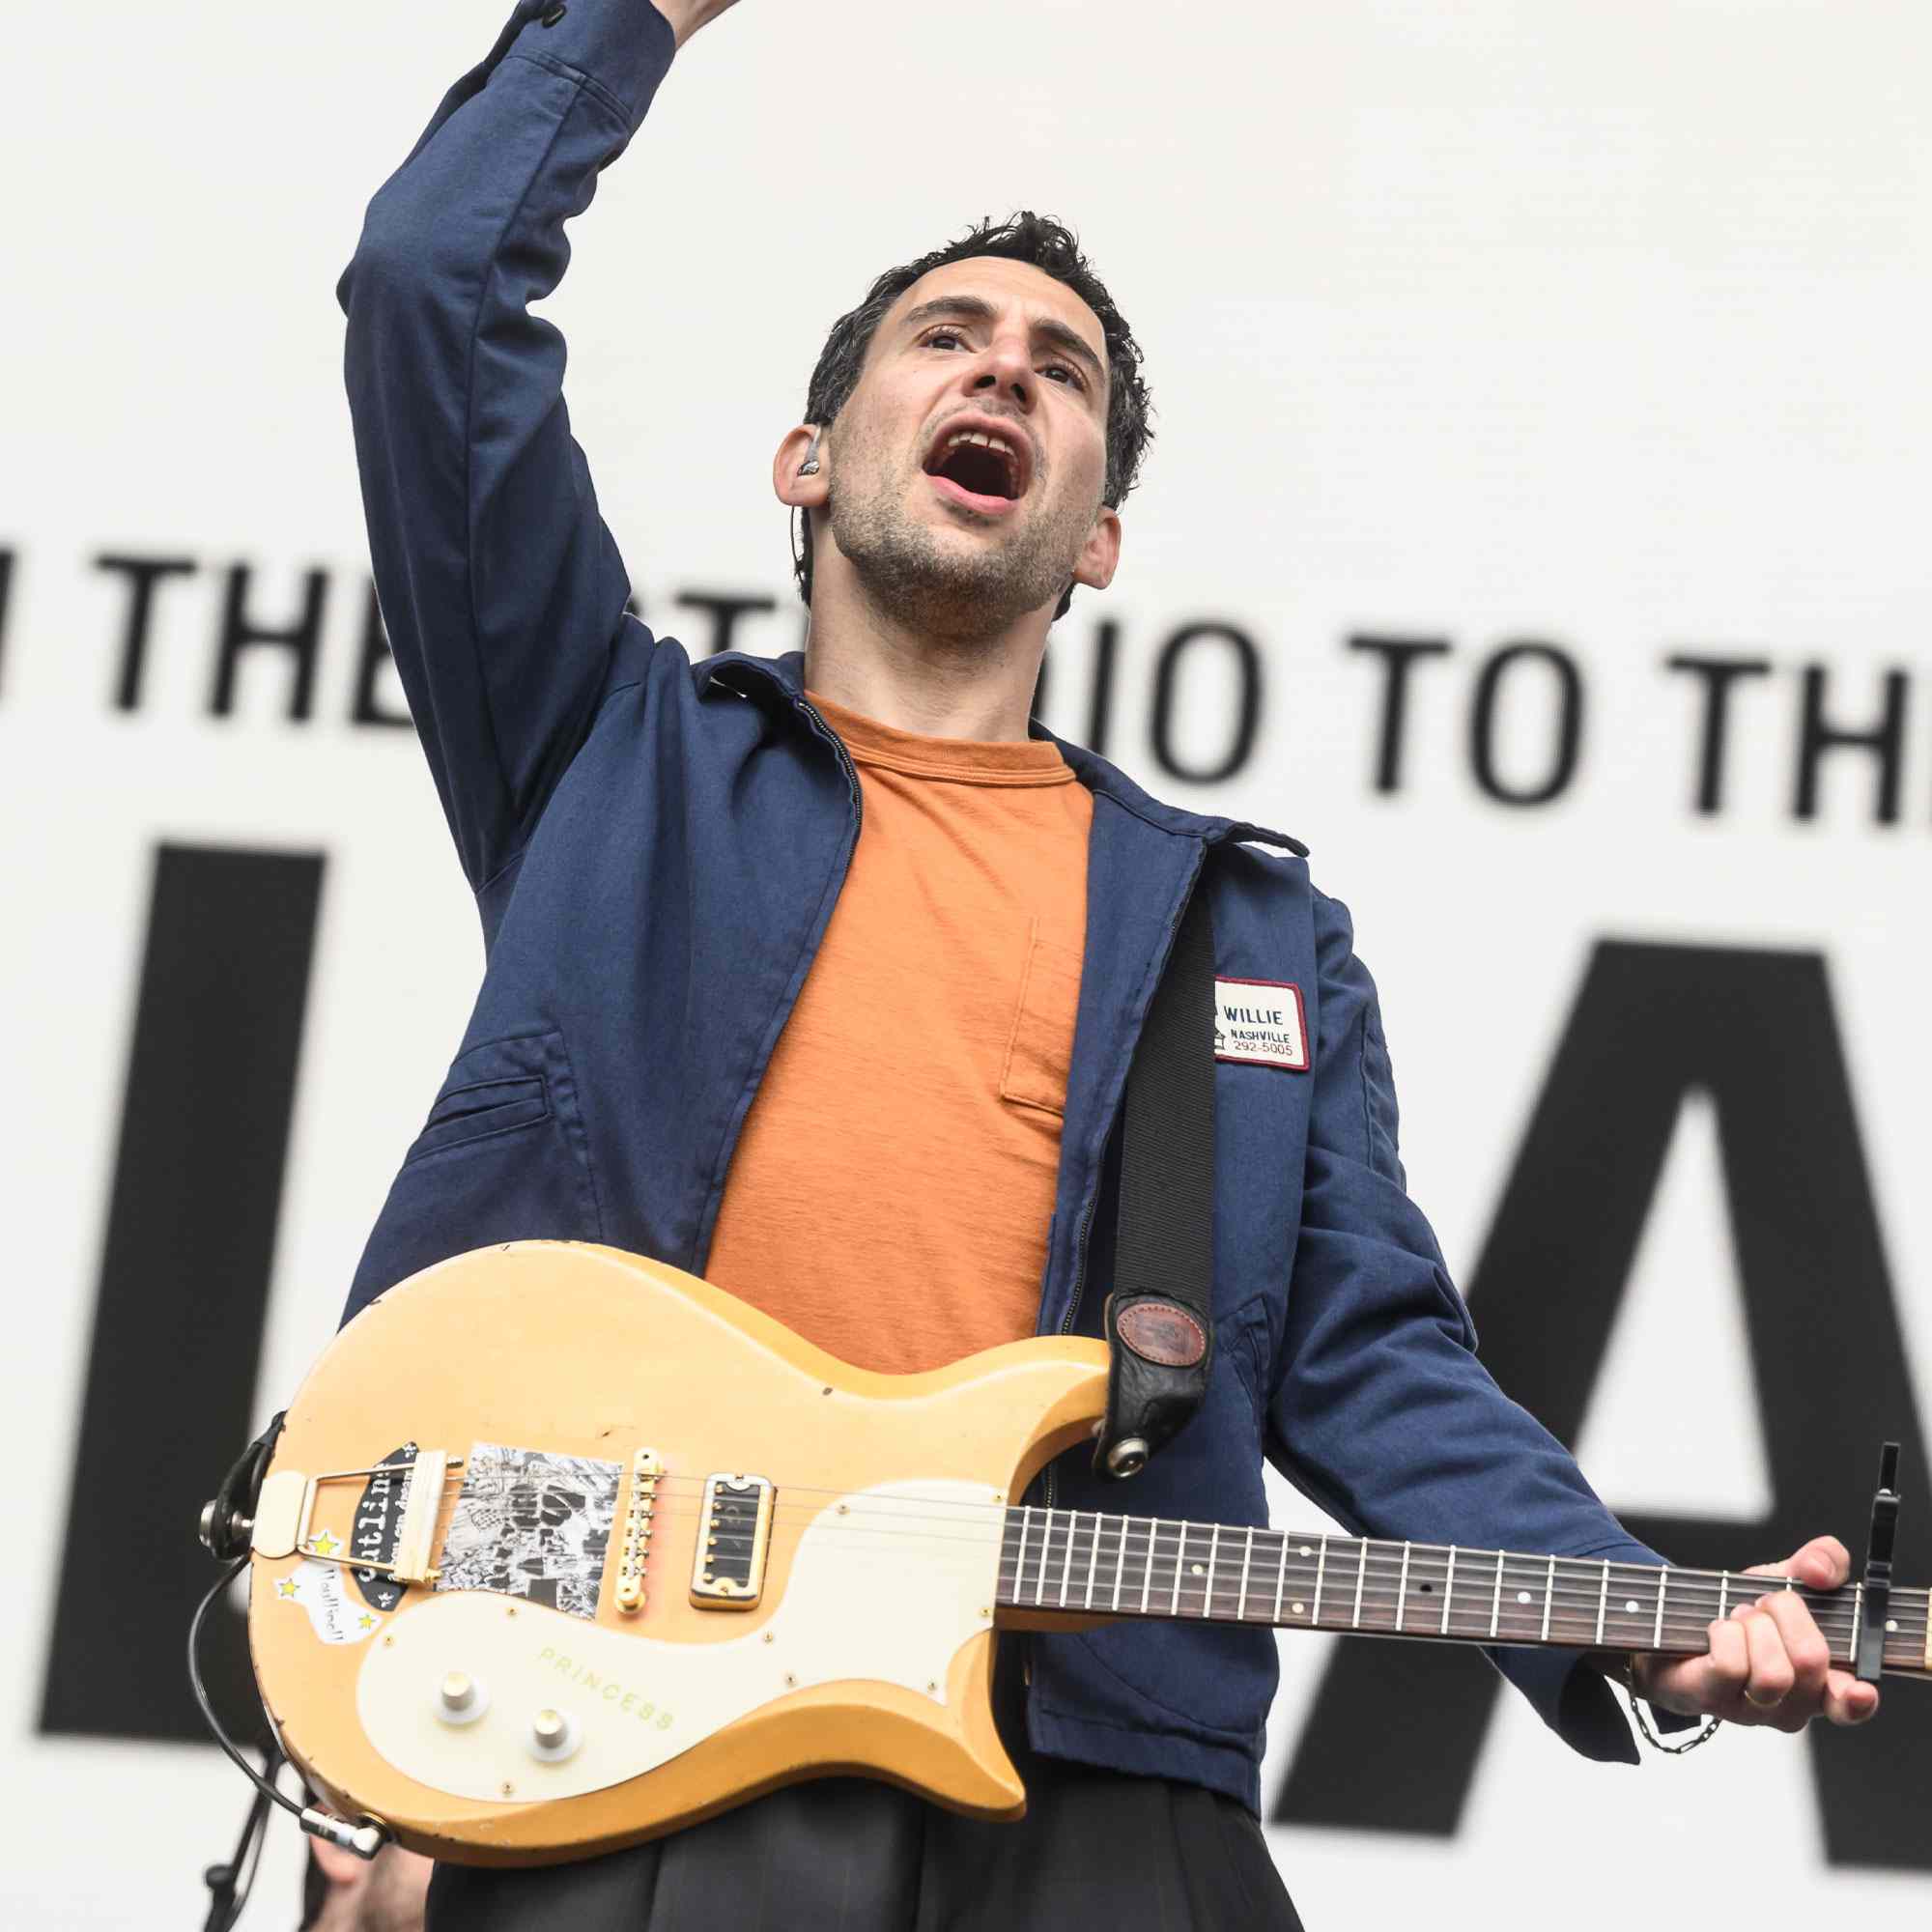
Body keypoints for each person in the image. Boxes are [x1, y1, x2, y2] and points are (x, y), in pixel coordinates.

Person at [332, 2, 1879, 1924]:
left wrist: (1637, 1612)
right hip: (631, 1726)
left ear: (1099, 539)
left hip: (1100, 1779)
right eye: (947, 338)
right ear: (806, 459)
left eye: (1059, 369)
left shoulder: (1248, 936)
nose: (1006, 367)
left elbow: (1367, 1357)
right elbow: (427, 289)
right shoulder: (611, 761)